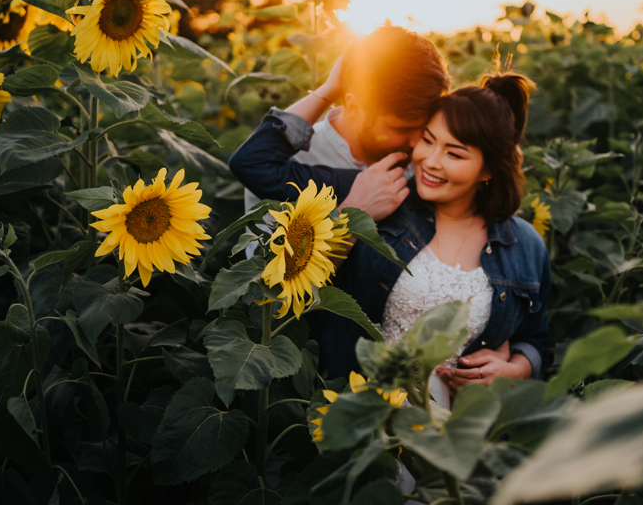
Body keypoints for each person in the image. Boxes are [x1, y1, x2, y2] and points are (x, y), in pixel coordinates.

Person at [230, 69, 550, 391]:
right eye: (427, 139)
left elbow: (535, 338)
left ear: (488, 170)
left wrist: (516, 370)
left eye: (454, 153)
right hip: (357, 410)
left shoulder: (525, 245)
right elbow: (254, 163)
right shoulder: (376, 192)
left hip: (459, 429)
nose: (431, 160)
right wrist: (329, 89)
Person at [235, 24, 451, 219]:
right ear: (355, 108)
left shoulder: (434, 156)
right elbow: (270, 262)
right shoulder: (294, 160)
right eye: (402, 128)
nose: (417, 142)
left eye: (424, 127)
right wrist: (354, 212)